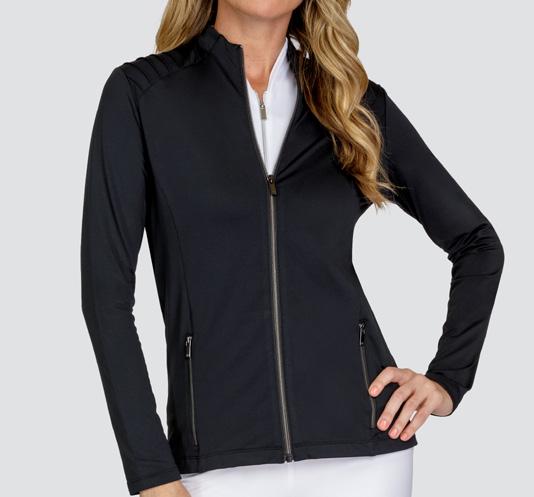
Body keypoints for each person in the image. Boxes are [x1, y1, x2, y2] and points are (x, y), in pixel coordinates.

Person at [80, 1, 505, 497]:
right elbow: (106, 298)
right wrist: (152, 474)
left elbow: (478, 244)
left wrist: (448, 380)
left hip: (366, 457)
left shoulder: (350, 102)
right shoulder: (144, 95)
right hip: (217, 462)